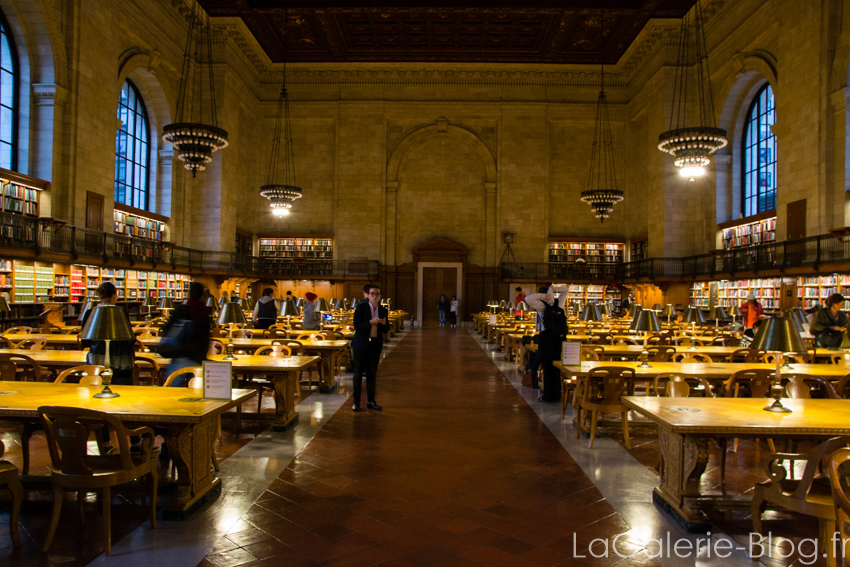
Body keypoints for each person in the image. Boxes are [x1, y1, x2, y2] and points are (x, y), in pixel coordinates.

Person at [81, 282, 135, 386]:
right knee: (125, 394)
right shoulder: (120, 312)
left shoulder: (90, 313)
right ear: (114, 295)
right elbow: (130, 339)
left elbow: (85, 342)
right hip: (121, 363)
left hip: (97, 362)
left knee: (96, 392)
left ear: (100, 296)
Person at [162, 282, 212, 387]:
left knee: (173, 390)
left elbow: (167, 329)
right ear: (202, 295)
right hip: (198, 359)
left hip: (180, 356)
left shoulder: (181, 310)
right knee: (197, 392)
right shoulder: (205, 313)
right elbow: (206, 339)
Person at [524, 284, 569, 402]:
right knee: (557, 368)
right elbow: (566, 290)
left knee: (547, 368)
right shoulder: (559, 303)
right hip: (559, 341)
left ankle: (549, 396)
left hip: (547, 340)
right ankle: (557, 394)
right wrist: (554, 289)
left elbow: (528, 299)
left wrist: (544, 296)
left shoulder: (542, 306)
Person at [351, 284, 389, 412]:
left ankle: (371, 401)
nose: (375, 296)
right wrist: (370, 322)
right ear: (368, 295)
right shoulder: (361, 308)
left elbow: (386, 329)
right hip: (361, 345)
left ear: (380, 296)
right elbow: (357, 326)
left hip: (375, 345)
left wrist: (383, 324)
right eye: (372, 294)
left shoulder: (383, 310)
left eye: (377, 294)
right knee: (358, 374)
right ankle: (356, 403)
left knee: (372, 374)